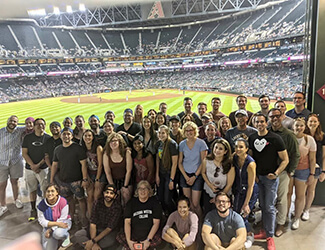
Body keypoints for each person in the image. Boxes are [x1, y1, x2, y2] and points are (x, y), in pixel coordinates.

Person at [249, 113, 288, 250]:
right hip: (259, 178)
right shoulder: (252, 138)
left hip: (271, 179)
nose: (259, 124)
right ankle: (265, 231)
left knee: (269, 207)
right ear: (254, 124)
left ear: (266, 123)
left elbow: (285, 159)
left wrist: (276, 173)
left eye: (262, 121)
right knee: (264, 205)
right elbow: (251, 159)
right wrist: (254, 176)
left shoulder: (275, 138)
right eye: (257, 122)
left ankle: (270, 236)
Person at [268, 108, 300, 237]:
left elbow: (296, 155)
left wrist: (290, 171)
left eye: (277, 116)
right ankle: (268, 222)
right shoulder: (266, 132)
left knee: (282, 199)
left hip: (282, 172)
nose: (275, 119)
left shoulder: (288, 134)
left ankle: (280, 224)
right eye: (272, 117)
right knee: (267, 200)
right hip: (267, 172)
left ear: (282, 117)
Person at [50, 127, 88, 227]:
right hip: (63, 181)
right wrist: (51, 180)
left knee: (81, 199)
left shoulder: (77, 148)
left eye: (68, 134)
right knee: (69, 200)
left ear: (71, 136)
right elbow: (54, 165)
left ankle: (83, 217)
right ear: (61, 135)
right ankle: (71, 218)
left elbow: (84, 164)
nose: (66, 136)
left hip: (76, 180)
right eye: (64, 134)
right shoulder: (57, 149)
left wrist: (84, 179)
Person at [116, 180, 162, 250]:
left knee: (159, 238)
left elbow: (156, 223)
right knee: (120, 236)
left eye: (145, 188)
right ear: (137, 191)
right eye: (140, 189)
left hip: (149, 235)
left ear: (149, 191)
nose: (142, 191)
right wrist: (129, 241)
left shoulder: (155, 202)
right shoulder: (131, 203)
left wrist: (148, 240)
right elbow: (127, 222)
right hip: (133, 235)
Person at [288, 118, 316, 230]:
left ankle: (296, 218)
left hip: (303, 171)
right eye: (297, 125)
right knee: (288, 194)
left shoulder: (310, 140)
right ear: (293, 127)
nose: (299, 128)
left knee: (300, 196)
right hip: (289, 170)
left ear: (305, 127)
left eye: (301, 126)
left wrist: (312, 174)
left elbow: (312, 159)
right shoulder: (289, 138)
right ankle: (285, 216)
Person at [74, 184, 122, 250]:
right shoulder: (97, 203)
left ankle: (89, 246)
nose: (108, 195)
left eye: (111, 193)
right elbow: (93, 223)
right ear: (103, 193)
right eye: (107, 192)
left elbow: (109, 228)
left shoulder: (117, 207)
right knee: (78, 234)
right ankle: (94, 247)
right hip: (96, 229)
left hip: (108, 232)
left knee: (110, 241)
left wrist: (93, 241)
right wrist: (93, 242)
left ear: (115, 196)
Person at [22, 118, 51, 222]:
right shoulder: (28, 137)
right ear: (34, 127)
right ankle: (33, 209)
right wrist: (32, 165)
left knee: (45, 190)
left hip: (43, 169)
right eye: (38, 124)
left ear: (45, 125)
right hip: (30, 169)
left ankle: (45, 209)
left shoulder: (48, 138)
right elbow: (24, 153)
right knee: (32, 190)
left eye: (42, 124)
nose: (40, 126)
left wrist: (37, 165)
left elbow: (47, 155)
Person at [179, 121, 208, 217]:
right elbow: (180, 162)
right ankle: (192, 223)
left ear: (195, 131)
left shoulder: (201, 143)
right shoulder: (182, 144)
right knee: (189, 204)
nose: (188, 132)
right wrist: (186, 177)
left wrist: (195, 176)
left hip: (197, 175)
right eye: (186, 131)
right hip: (185, 175)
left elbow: (203, 162)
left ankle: (200, 222)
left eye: (190, 130)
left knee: (196, 204)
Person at [232, 138, 257, 249]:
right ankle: (240, 235)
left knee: (244, 213)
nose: (238, 149)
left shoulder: (250, 164)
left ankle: (250, 236)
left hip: (249, 191)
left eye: (241, 147)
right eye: (236, 146)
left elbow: (251, 185)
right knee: (237, 214)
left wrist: (246, 203)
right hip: (238, 190)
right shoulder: (235, 158)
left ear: (246, 149)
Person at [0, 115, 25, 217]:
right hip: (2, 162)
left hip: (15, 161)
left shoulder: (19, 131)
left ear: (17, 123)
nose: (13, 123)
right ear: (7, 121)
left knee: (15, 181)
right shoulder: (1, 132)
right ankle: (2, 205)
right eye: (11, 121)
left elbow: (31, 125)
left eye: (15, 121)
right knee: (2, 184)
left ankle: (17, 199)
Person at [201, 139, 235, 215]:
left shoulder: (229, 165)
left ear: (225, 151)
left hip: (223, 193)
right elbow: (203, 173)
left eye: (220, 149)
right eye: (216, 147)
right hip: (209, 191)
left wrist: (218, 198)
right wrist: (210, 185)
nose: (217, 150)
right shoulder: (206, 160)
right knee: (208, 213)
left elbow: (229, 184)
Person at [302, 114, 325, 220]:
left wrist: (323, 171)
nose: (312, 123)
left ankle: (306, 210)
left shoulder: (322, 136)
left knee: (311, 189)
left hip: (316, 166)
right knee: (302, 190)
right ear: (307, 123)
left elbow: (324, 155)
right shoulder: (303, 135)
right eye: (310, 121)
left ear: (318, 123)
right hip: (303, 166)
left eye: (315, 121)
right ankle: (299, 208)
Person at [37, 184, 71, 250]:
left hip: (63, 224)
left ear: (57, 193)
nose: (50, 193)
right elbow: (41, 221)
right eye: (48, 191)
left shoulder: (63, 202)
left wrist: (51, 230)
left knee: (57, 234)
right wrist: (55, 225)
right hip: (49, 226)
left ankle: (66, 236)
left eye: (52, 191)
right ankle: (55, 240)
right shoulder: (41, 205)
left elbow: (62, 219)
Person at [103, 132, 132, 206]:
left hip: (126, 179)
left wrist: (125, 186)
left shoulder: (126, 152)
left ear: (120, 142)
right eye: (111, 141)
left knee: (126, 195)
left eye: (115, 141)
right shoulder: (106, 154)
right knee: (114, 198)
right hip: (113, 180)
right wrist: (113, 187)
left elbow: (129, 171)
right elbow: (108, 172)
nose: (113, 143)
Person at [81, 129, 105, 214]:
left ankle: (98, 217)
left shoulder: (98, 148)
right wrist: (87, 178)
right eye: (85, 136)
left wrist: (97, 180)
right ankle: (91, 218)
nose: (87, 137)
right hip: (90, 174)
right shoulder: (82, 149)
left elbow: (100, 165)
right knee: (89, 197)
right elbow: (84, 165)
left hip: (100, 174)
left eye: (89, 136)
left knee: (96, 197)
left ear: (93, 137)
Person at [156, 125, 179, 214]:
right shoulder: (159, 143)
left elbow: (174, 163)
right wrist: (157, 175)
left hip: (170, 173)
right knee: (160, 197)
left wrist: (171, 180)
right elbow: (158, 159)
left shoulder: (172, 144)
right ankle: (166, 214)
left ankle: (174, 213)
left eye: (163, 133)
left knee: (167, 198)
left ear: (167, 133)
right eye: (159, 133)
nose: (161, 135)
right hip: (161, 173)